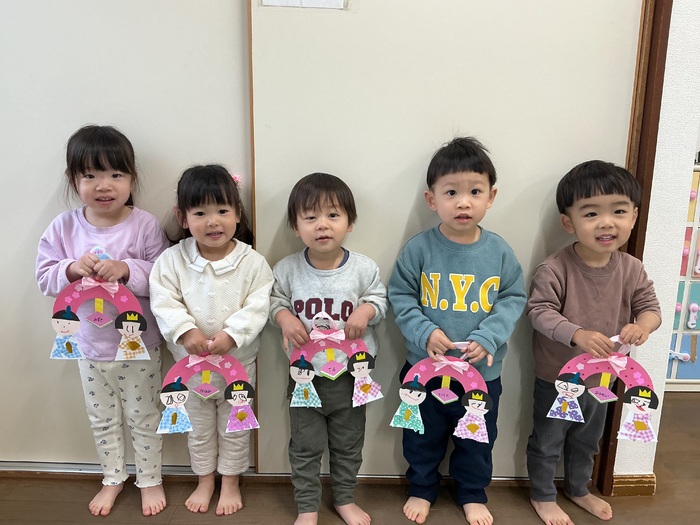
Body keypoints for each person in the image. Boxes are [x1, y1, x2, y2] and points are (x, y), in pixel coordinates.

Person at [388, 137, 526, 525]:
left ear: (491, 197)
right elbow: (400, 295)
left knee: (476, 439)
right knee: (421, 435)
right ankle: (422, 487)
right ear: (431, 199)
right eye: (451, 192)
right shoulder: (419, 249)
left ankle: (472, 492)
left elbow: (513, 297)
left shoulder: (499, 251)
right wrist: (424, 331)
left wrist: (488, 337)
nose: (463, 202)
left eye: (474, 192)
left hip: (481, 374)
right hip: (424, 371)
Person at [36, 125, 169, 516]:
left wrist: (127, 269)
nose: (104, 185)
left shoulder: (144, 224)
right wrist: (70, 268)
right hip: (88, 347)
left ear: (132, 178)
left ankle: (150, 479)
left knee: (144, 416)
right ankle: (112, 477)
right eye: (90, 175)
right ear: (73, 180)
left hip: (139, 346)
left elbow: (164, 276)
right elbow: (44, 277)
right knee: (102, 418)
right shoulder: (64, 227)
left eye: (116, 173)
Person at [526, 160, 661, 525]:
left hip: (604, 379)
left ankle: (579, 488)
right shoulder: (554, 268)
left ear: (634, 216)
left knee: (588, 438)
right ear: (568, 222)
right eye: (591, 213)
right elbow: (539, 312)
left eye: (619, 211)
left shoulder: (632, 269)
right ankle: (542, 494)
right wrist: (577, 333)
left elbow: (651, 308)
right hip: (558, 378)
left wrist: (642, 326)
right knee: (549, 439)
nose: (606, 223)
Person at [149, 164, 273, 516]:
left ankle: (230, 481)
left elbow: (259, 304)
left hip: (238, 368)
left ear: (238, 213)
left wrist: (233, 334)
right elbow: (163, 299)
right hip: (190, 370)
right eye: (200, 213)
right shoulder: (172, 260)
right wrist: (185, 330)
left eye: (222, 210)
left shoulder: (252, 262)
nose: (213, 221)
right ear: (182, 217)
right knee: (199, 429)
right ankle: (204, 479)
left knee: (236, 427)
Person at [270, 172, 388, 525]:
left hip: (354, 379)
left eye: (333, 215)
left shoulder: (363, 268)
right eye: (310, 217)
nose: (322, 225)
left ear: (349, 222)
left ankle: (345, 498)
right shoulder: (287, 269)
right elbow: (274, 301)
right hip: (305, 378)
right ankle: (307, 506)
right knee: (304, 446)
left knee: (348, 444)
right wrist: (284, 318)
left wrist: (366, 311)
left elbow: (380, 301)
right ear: (296, 227)